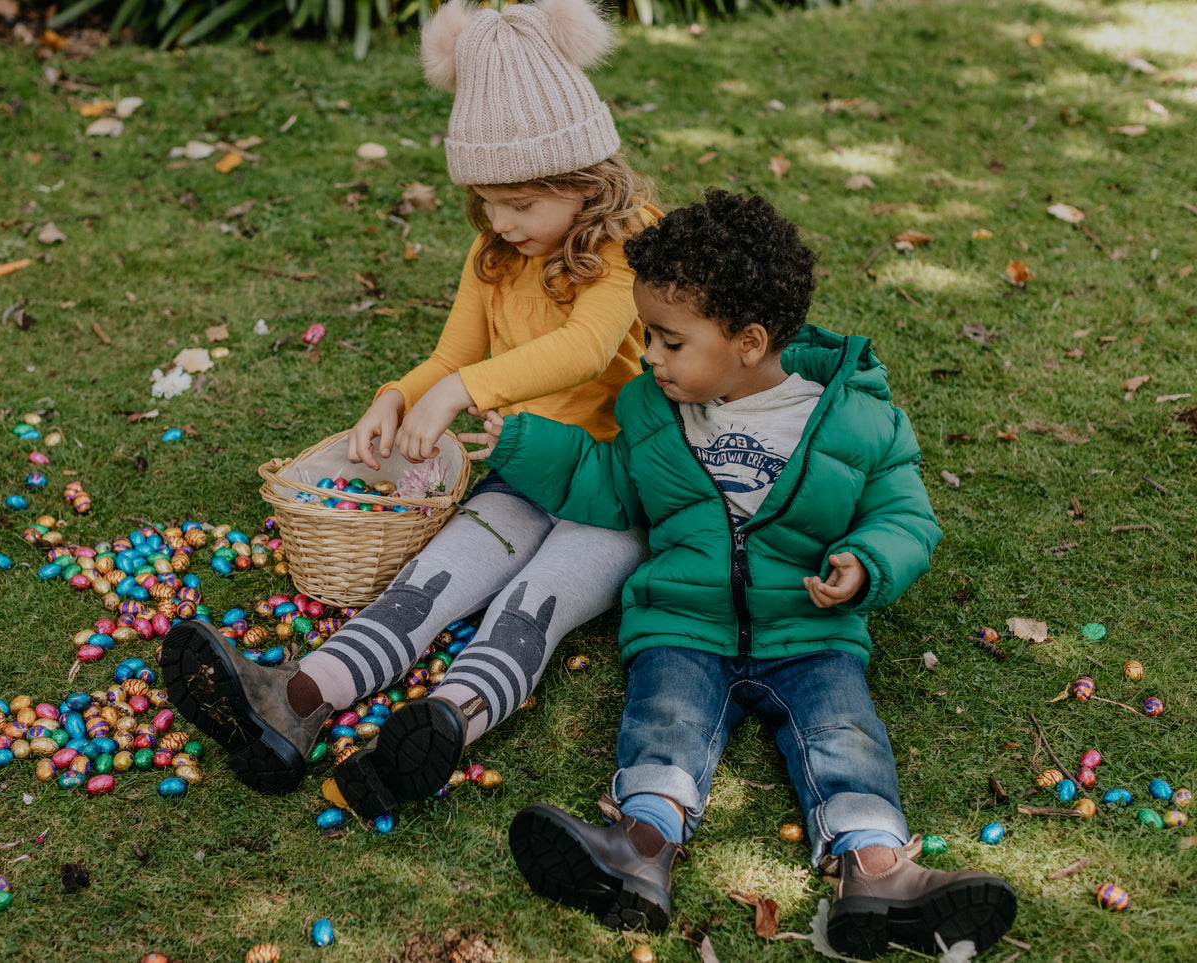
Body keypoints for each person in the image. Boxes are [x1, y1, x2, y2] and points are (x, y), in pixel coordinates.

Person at [471, 190, 1017, 958]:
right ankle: (638, 850)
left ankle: (877, 871)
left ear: (749, 340)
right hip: (682, 625)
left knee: (845, 736)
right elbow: (613, 487)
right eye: (647, 338)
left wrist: (864, 564)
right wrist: (524, 443)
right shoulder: (654, 410)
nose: (650, 357)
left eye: (667, 341)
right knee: (663, 722)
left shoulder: (856, 416)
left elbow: (906, 516)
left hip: (809, 630)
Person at [160, 0, 659, 820]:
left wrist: (465, 393)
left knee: (530, 605)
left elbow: (584, 349)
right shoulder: (497, 251)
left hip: (617, 493)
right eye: (486, 199)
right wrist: (399, 392)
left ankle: (443, 727)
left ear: (582, 176)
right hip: (525, 471)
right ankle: (297, 695)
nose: (499, 221)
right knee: (429, 580)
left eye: (522, 203)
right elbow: (451, 357)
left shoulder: (626, 244)